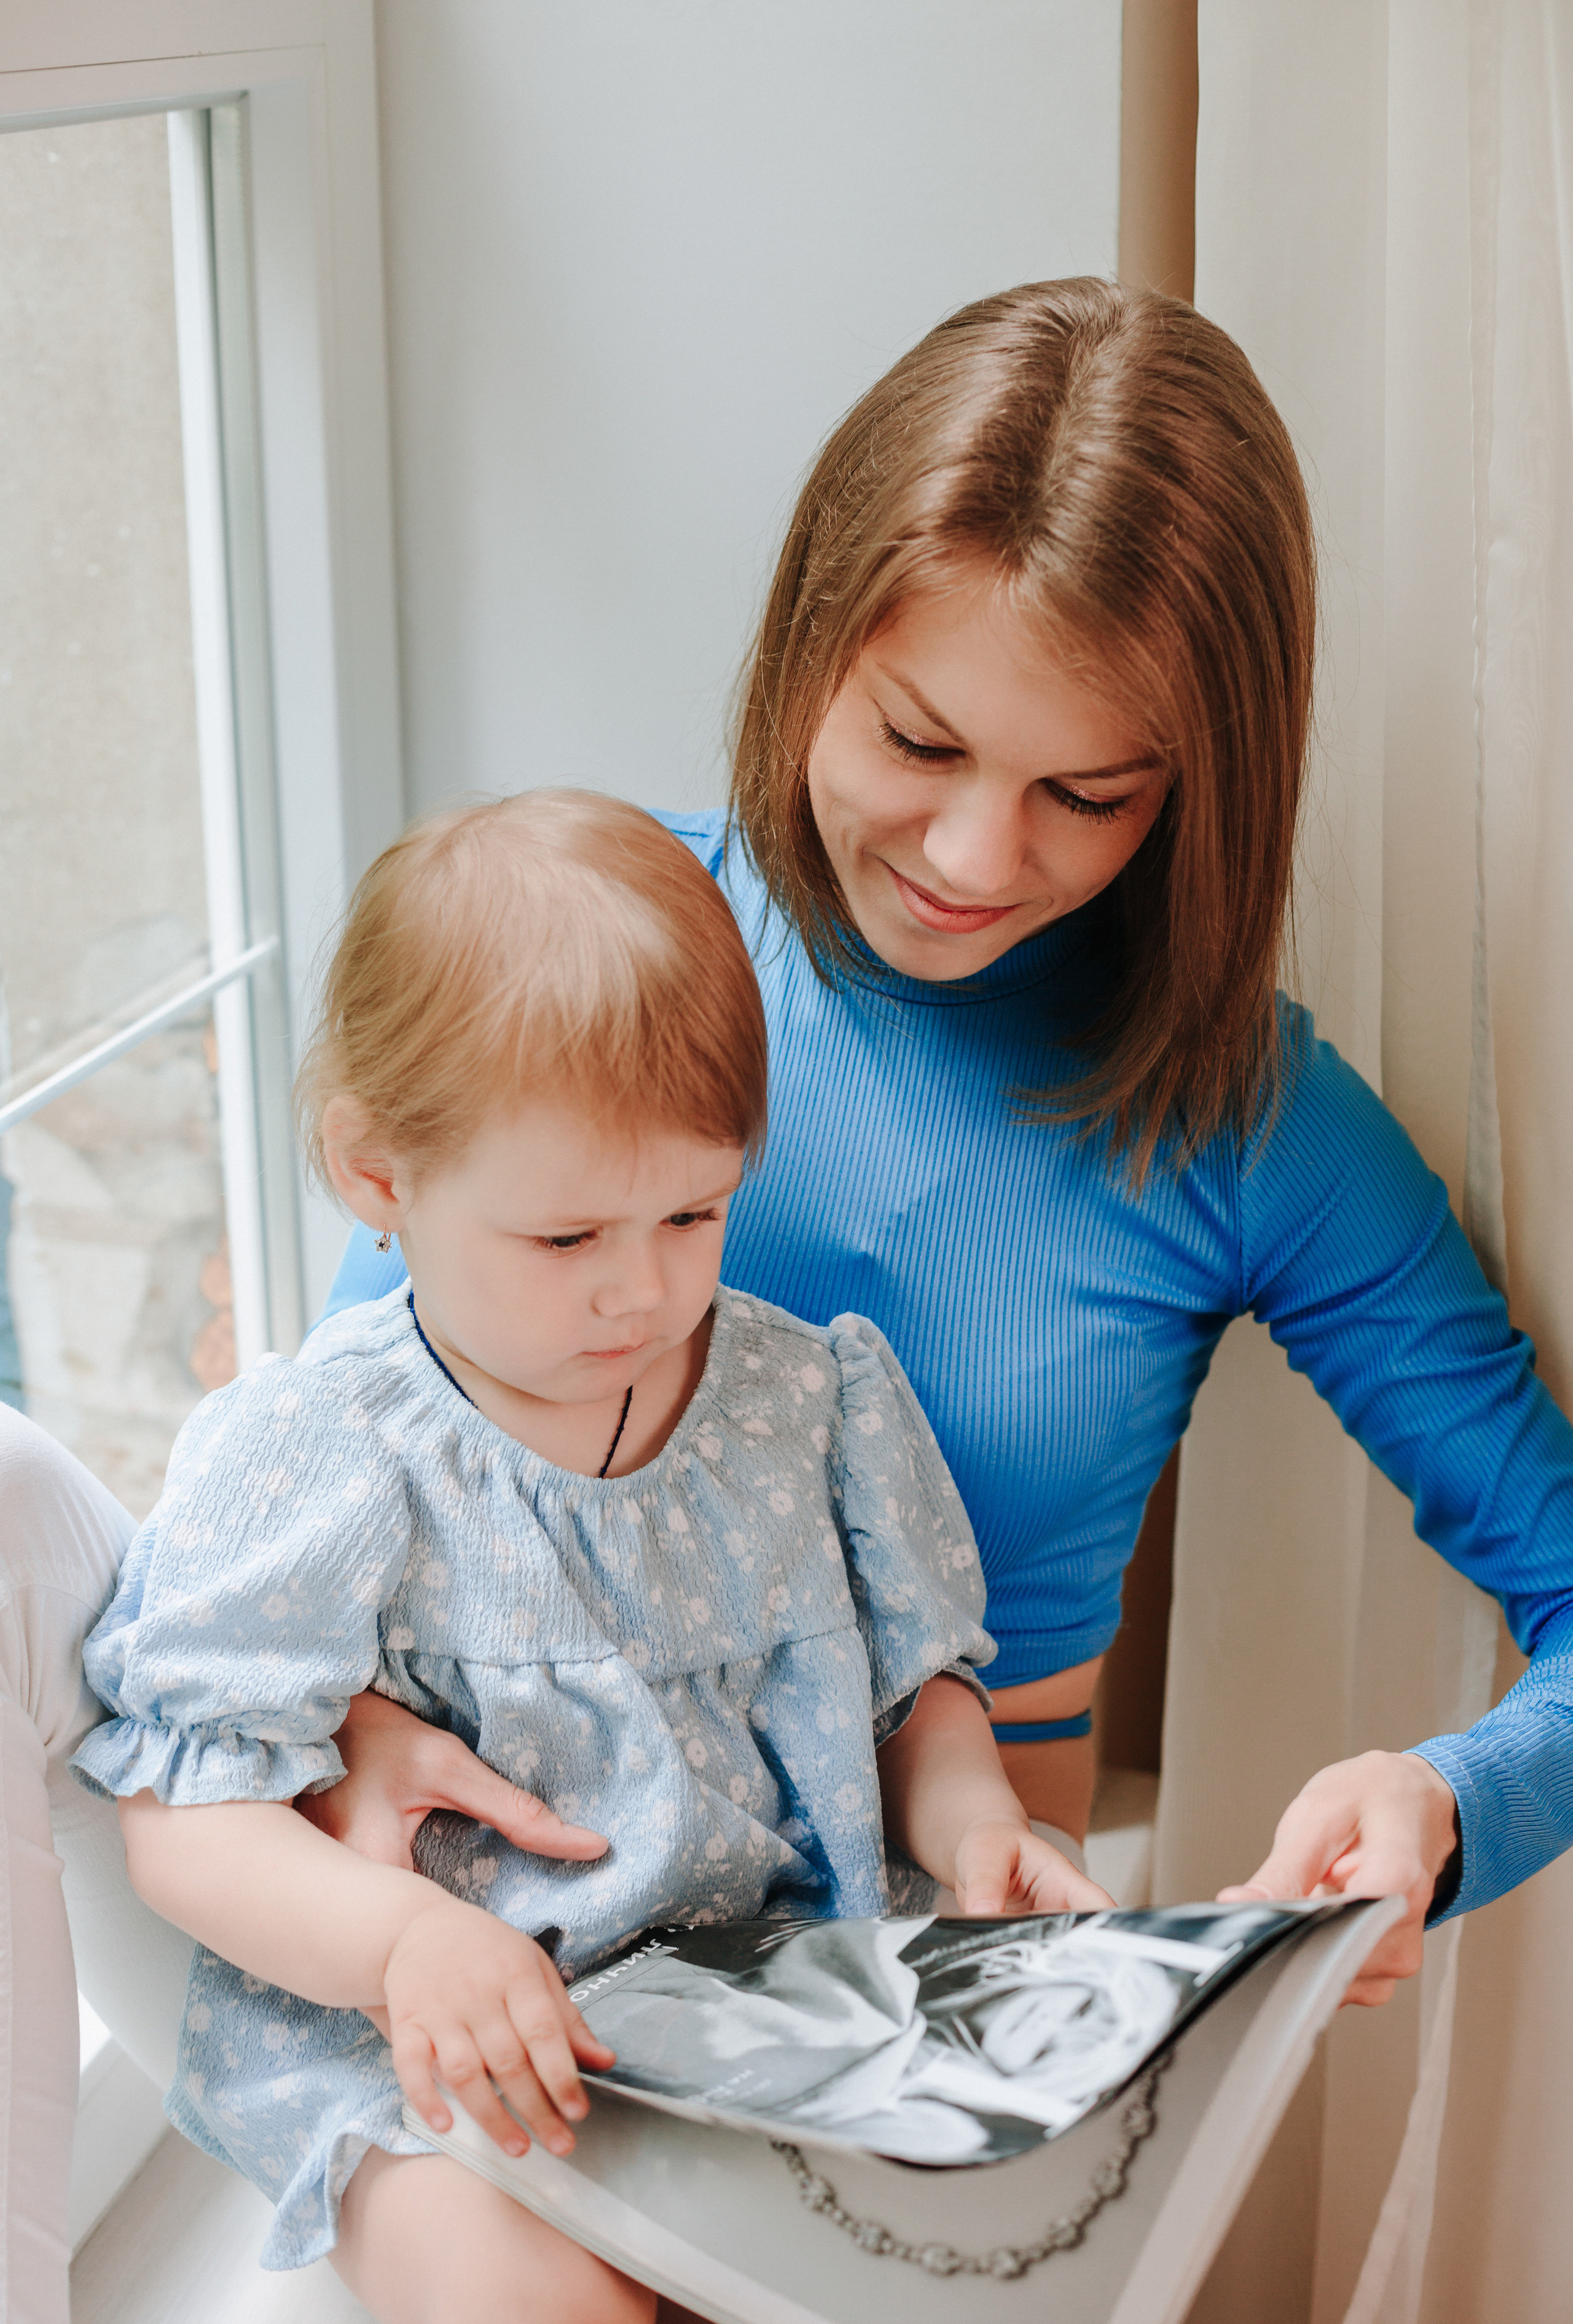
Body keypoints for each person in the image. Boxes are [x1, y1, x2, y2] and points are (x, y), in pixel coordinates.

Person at [320, 277, 1573, 2008]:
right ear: (806, 647)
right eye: (920, 742)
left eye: (1090, 793)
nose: (975, 860)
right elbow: (339, 1450)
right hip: (506, 1958)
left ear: (1198, 788)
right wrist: (351, 1727)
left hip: (941, 1984)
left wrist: (1448, 1799)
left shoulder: (1246, 1122)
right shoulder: (585, 962)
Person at [67, 790, 1109, 2324]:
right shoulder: (324, 1449)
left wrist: (973, 1825)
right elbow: (185, 1823)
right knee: (542, 2312)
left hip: (771, 2001)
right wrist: (402, 1942)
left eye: (693, 1211)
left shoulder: (808, 1400)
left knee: (852, 2303)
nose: (642, 1290)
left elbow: (916, 1700)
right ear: (376, 1174)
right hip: (434, 2039)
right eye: (566, 1240)